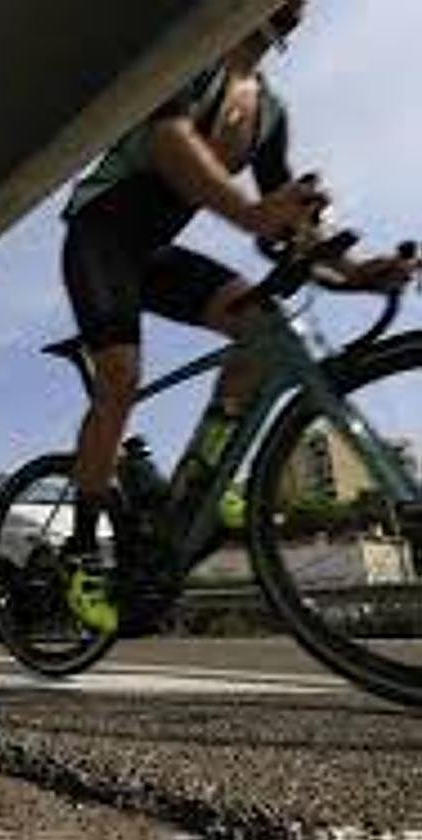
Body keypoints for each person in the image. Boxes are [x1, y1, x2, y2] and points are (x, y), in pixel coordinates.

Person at [58, 0, 417, 634]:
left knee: (262, 324)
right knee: (120, 382)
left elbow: (286, 229)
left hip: (152, 253)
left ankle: (201, 480)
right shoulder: (191, 59)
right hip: (101, 234)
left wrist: (358, 273)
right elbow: (170, 142)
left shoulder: (269, 115)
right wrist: (253, 214)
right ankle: (81, 549)